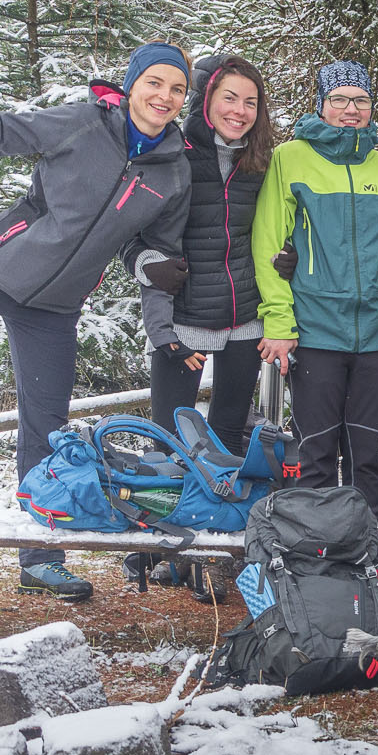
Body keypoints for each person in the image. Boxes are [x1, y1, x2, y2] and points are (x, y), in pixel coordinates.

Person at [0, 29, 191, 600]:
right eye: (153, 83)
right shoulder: (82, 122)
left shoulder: (173, 171)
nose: (163, 96)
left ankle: (40, 558)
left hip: (54, 308)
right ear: (132, 85)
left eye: (176, 88)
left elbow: (150, 250)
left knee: (46, 426)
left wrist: (152, 274)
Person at [253, 60, 378, 516]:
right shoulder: (290, 158)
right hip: (315, 330)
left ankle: (367, 557)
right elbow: (268, 246)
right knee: (317, 456)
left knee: (369, 458)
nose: (351, 109)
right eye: (340, 99)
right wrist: (279, 321)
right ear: (322, 105)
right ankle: (317, 558)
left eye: (361, 100)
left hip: (376, 332)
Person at [127, 53, 273, 456]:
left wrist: (286, 256)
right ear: (205, 99)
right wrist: (146, 265)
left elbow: (276, 227)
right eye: (230, 98)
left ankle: (219, 514)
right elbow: (125, 230)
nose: (240, 111)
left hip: (245, 319)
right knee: (168, 439)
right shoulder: (171, 154)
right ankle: (165, 512)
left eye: (251, 102)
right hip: (182, 320)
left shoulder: (261, 161)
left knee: (228, 434)